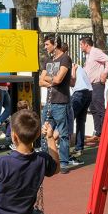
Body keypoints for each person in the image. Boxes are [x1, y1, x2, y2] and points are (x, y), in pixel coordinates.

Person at [39, 35, 74, 169]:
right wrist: (50, 82)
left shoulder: (65, 59)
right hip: (49, 103)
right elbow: (40, 81)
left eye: (47, 44)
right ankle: (45, 160)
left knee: (63, 134)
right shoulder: (48, 60)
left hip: (61, 102)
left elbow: (59, 80)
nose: (45, 47)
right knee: (44, 132)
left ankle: (64, 162)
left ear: (55, 44)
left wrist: (48, 79)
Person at [81, 36, 108, 144]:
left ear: (86, 44)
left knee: (100, 109)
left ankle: (105, 135)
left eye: (81, 44)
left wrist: (104, 73)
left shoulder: (95, 52)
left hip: (97, 84)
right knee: (93, 109)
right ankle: (98, 133)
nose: (80, 47)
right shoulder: (88, 55)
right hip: (90, 85)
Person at [69, 60, 93, 159]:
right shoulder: (77, 66)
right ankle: (79, 148)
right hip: (88, 92)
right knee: (80, 121)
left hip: (79, 93)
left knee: (68, 119)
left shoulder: (66, 65)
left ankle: (65, 150)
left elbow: (72, 81)